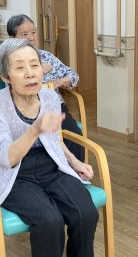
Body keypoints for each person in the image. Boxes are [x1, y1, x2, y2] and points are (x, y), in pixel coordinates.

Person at [0, 38, 99, 257]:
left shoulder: (49, 97)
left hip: (51, 165)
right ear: (6, 76)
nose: (30, 73)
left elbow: (56, 140)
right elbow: (6, 158)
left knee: (85, 211)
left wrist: (74, 162)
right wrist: (34, 129)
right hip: (16, 174)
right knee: (49, 219)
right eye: (20, 68)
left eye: (34, 65)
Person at [6, 14, 85, 162]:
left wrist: (60, 81)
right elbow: (16, 88)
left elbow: (73, 75)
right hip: (25, 111)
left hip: (54, 107)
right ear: (12, 39)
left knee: (75, 138)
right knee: (41, 145)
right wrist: (39, 70)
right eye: (24, 34)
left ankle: (76, 172)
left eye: (33, 32)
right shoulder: (10, 61)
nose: (31, 38)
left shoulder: (46, 57)